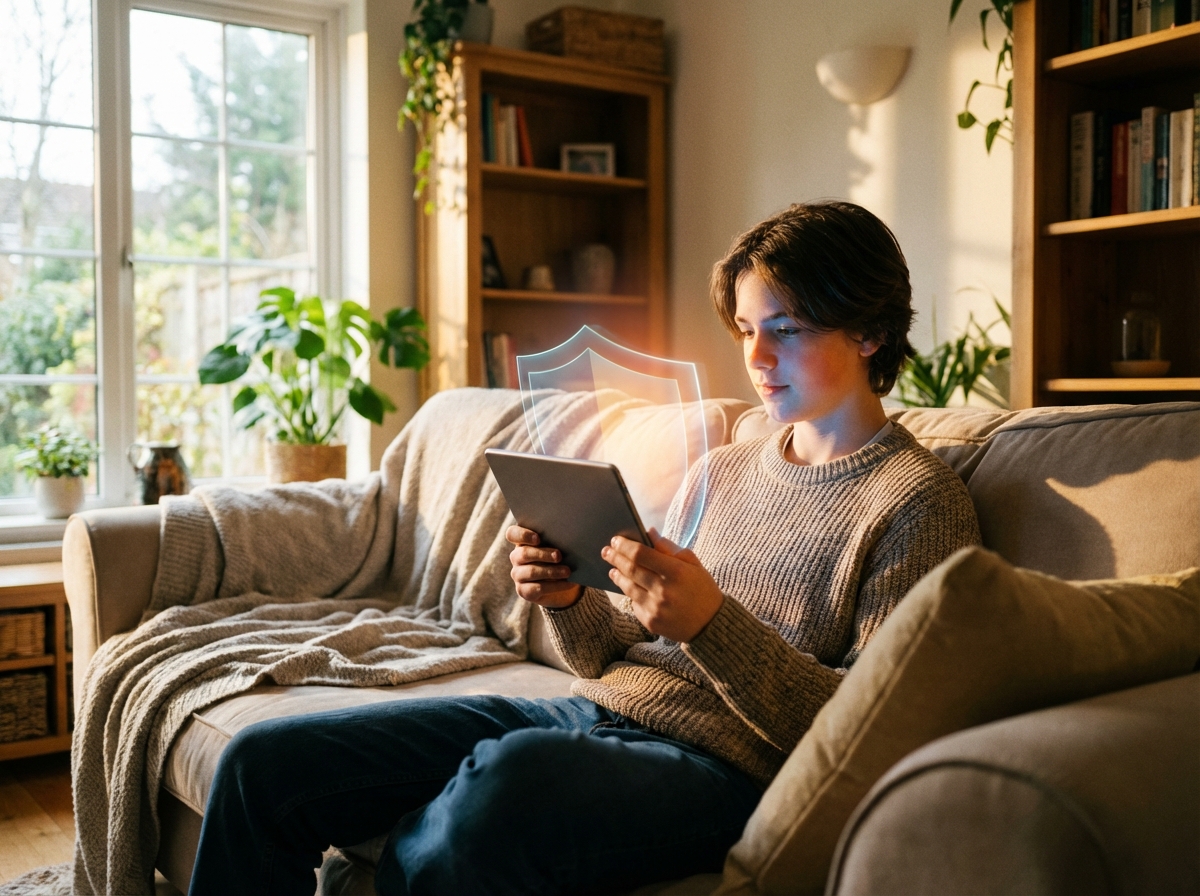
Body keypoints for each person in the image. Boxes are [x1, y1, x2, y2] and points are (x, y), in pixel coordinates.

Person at [189, 201, 981, 896]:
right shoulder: (730, 465)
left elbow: (866, 734)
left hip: (729, 772)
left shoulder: (919, 504)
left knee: (500, 792)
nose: (757, 358)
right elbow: (612, 657)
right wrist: (568, 598)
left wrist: (709, 623)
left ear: (872, 331)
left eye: (787, 330)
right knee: (267, 763)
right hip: (597, 712)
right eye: (746, 330)